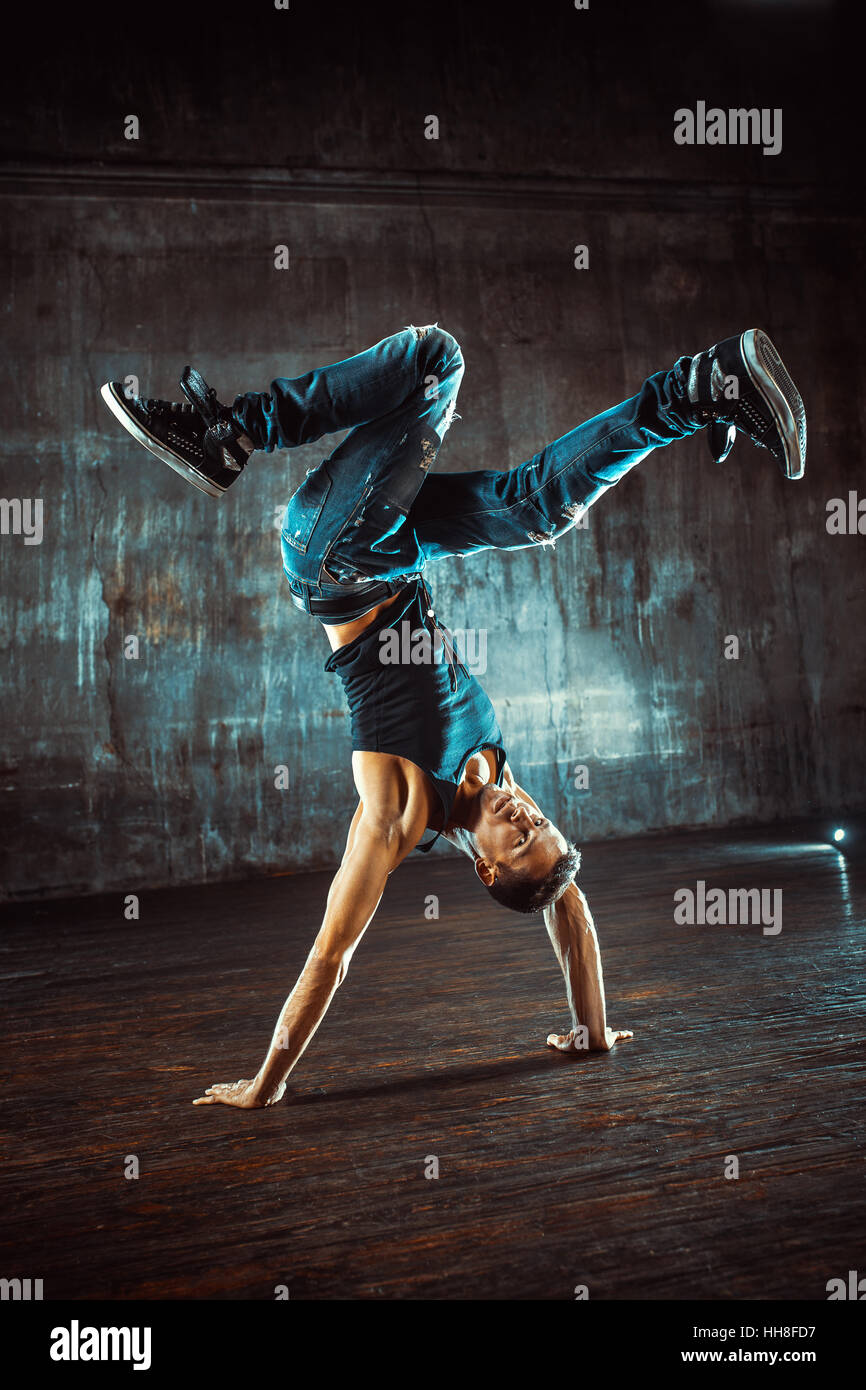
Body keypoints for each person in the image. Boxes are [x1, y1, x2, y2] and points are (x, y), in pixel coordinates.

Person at [101, 323, 806, 1108]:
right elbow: (569, 915)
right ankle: (701, 394)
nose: (525, 813)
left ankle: (229, 434)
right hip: (398, 552)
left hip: (337, 559)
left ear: (486, 865)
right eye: (542, 821)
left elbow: (330, 955)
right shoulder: (499, 783)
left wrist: (267, 1082)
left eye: (519, 835)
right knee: (539, 508)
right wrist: (594, 1032)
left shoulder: (400, 810)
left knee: (435, 358)